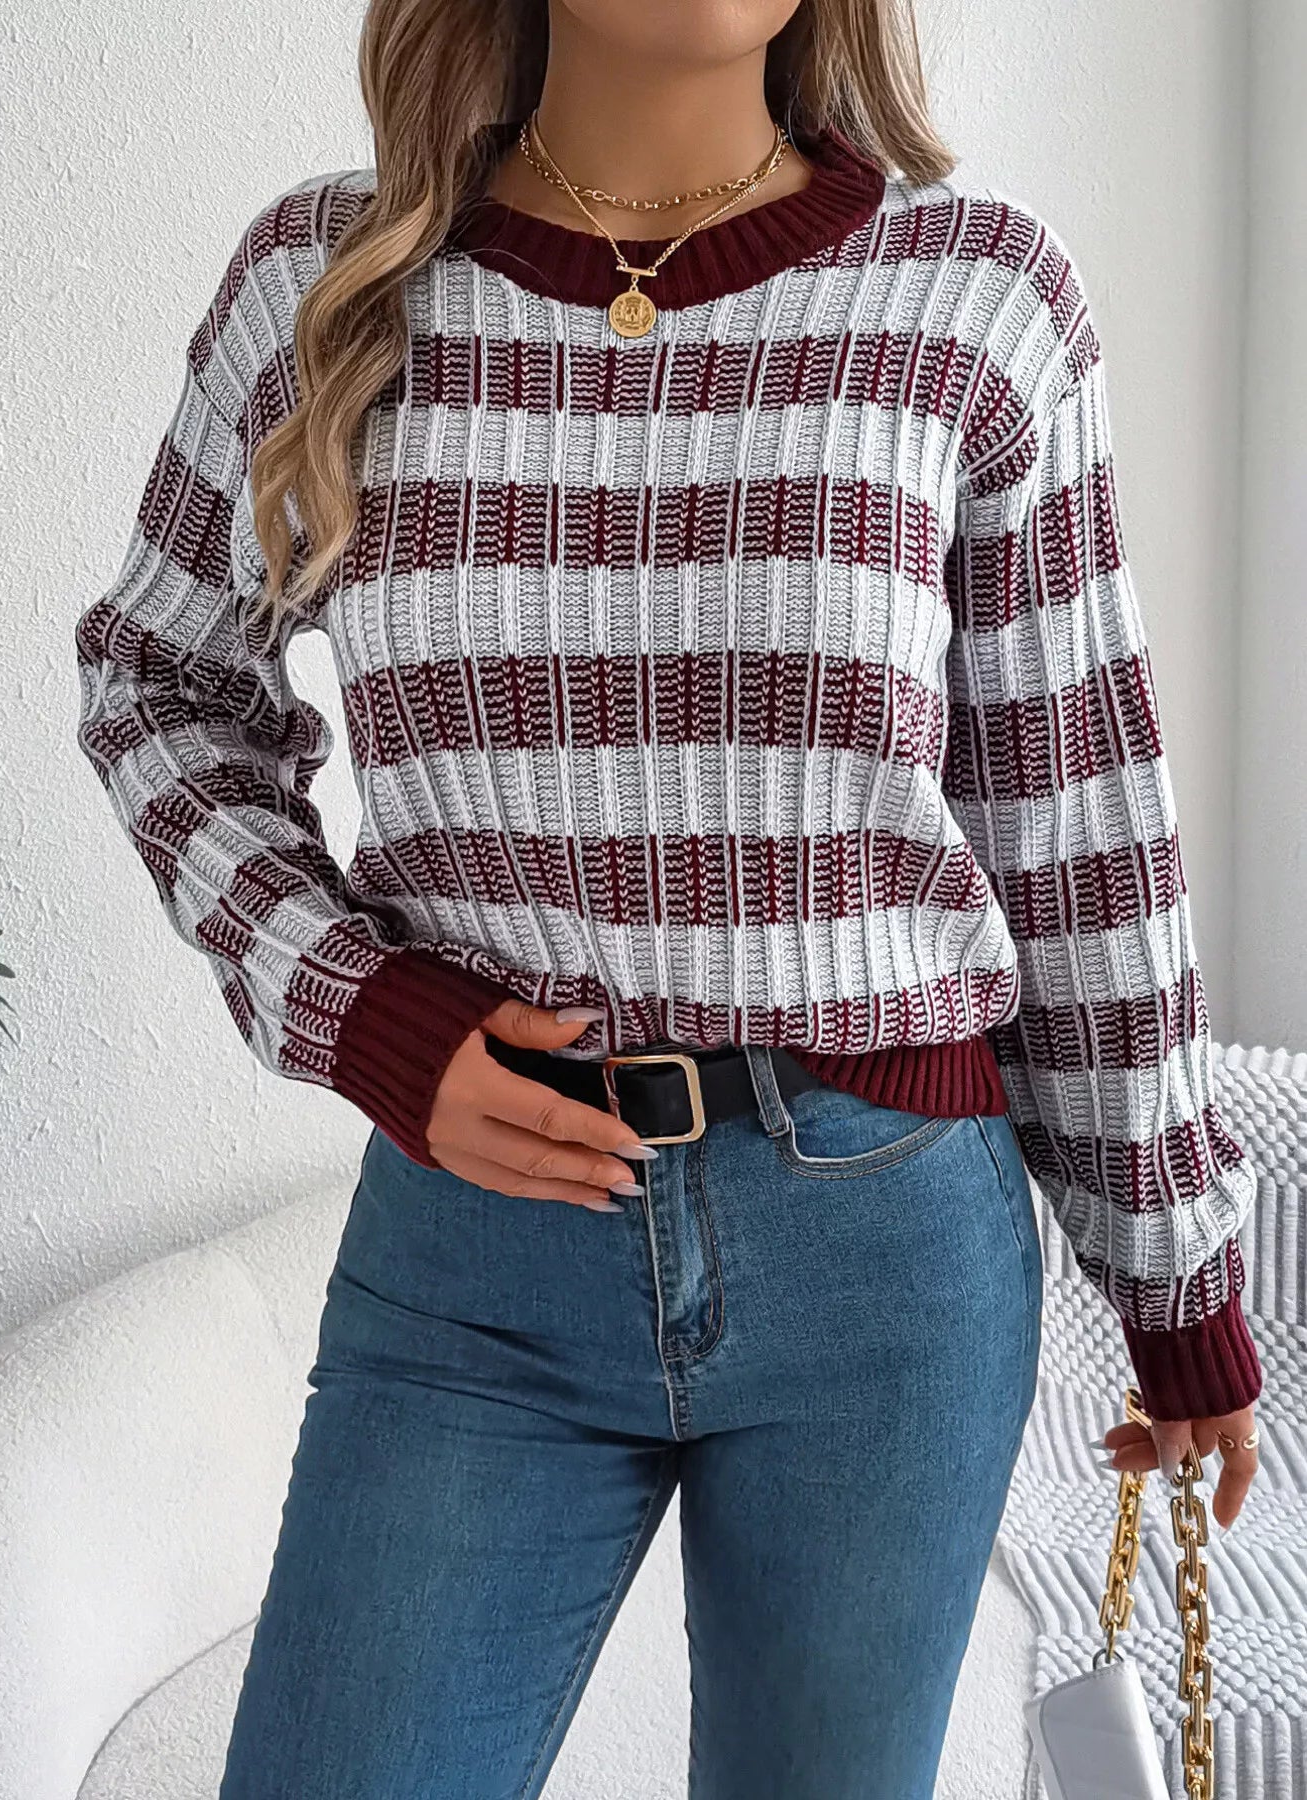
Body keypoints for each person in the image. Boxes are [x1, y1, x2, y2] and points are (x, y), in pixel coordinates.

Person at [71, 2, 1264, 1793]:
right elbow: (158, 685)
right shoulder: (324, 283)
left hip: (883, 1257)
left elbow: (1077, 820)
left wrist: (1173, 1283)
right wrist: (363, 1010)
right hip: (475, 1258)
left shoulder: (971, 293)